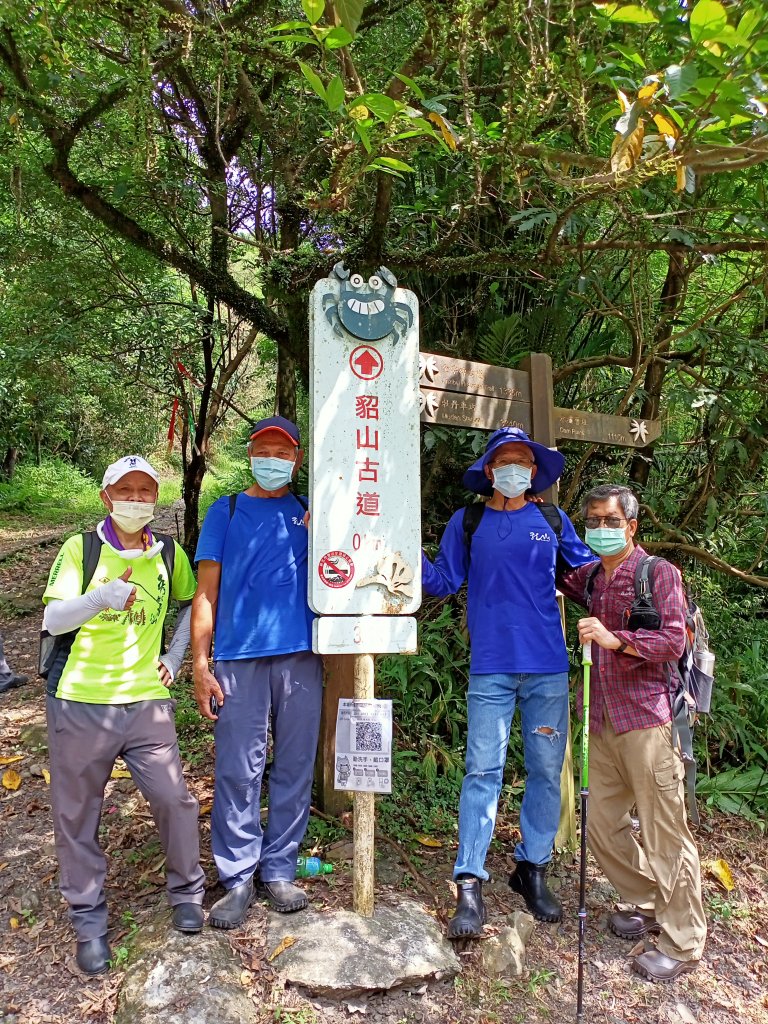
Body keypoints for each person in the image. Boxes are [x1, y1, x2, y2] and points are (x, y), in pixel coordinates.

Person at [421, 426, 594, 938]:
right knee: (482, 772)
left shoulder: (549, 518)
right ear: (490, 470)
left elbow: (589, 575)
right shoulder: (467, 520)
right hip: (491, 668)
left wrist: (639, 580)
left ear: (534, 472)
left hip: (547, 669)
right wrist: (400, 552)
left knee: (544, 770)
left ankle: (531, 868)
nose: (515, 469)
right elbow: (444, 580)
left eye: (524, 461)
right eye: (505, 461)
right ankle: (469, 882)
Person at [42, 455, 205, 976]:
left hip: (146, 701)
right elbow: (52, 616)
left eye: (146, 491)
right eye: (126, 490)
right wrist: (99, 597)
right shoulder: (80, 550)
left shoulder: (168, 553)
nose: (137, 499)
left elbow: (190, 601)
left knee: (175, 799)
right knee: (77, 813)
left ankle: (187, 894)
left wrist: (175, 656)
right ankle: (89, 921)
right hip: (81, 699)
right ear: (105, 497)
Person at [558, 483, 706, 982]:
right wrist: (532, 512)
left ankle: (683, 942)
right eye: (593, 520)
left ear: (631, 526)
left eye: (611, 521)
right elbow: (555, 572)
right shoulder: (592, 578)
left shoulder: (658, 573)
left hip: (648, 721)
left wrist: (613, 638)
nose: (601, 528)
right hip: (600, 723)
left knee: (666, 832)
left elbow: (671, 640)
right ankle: (646, 900)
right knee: (601, 826)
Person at [192, 415, 322, 929]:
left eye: (284, 451)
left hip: (300, 655)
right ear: (250, 454)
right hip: (238, 658)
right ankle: (238, 875)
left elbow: (340, 569)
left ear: (297, 460)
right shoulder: (224, 511)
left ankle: (280, 868)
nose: (274, 459)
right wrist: (201, 664)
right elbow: (206, 593)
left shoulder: (313, 513)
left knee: (294, 763)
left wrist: (326, 530)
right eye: (265, 450)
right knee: (237, 768)